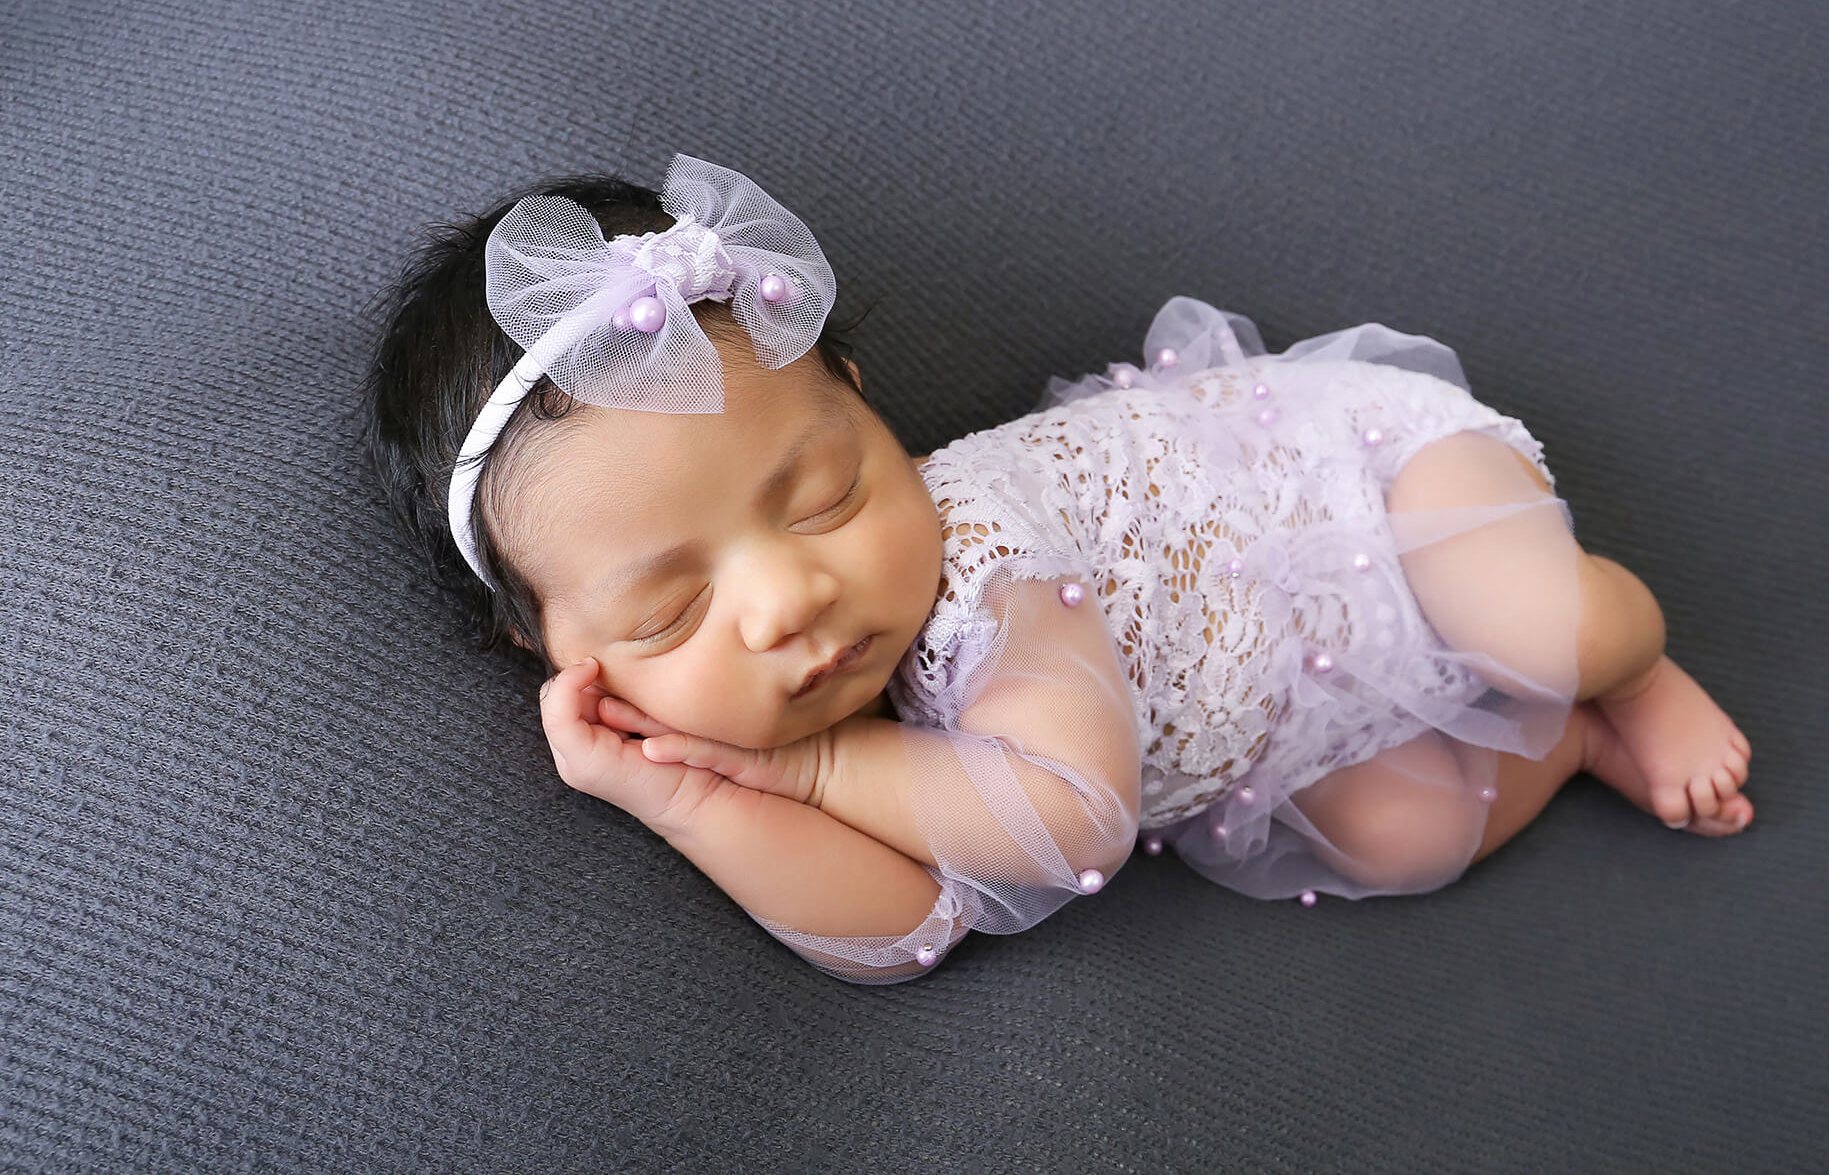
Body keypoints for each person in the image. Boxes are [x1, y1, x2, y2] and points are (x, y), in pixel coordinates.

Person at [365, 152, 1754, 985]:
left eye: (830, 489)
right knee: (1407, 836)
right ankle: (1568, 746)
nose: (790, 597)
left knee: (1532, 623)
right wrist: (679, 797)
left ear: (860, 399)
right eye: (671, 608)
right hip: (1286, 696)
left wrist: (805, 772)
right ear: (554, 651)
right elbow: (903, 931)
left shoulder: (981, 565)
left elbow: (1075, 818)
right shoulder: (807, 707)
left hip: (1371, 493)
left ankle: (1625, 661)